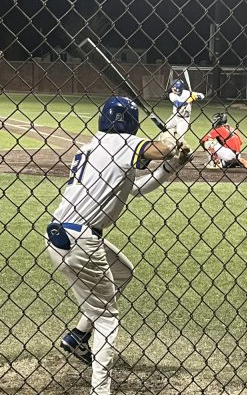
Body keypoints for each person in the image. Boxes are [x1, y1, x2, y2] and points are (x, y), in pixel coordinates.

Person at [45, 96, 192, 395]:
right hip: (82, 239)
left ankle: (77, 336)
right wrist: (172, 138)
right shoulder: (121, 143)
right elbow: (158, 149)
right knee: (108, 317)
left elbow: (134, 189)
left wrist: (173, 165)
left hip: (60, 235)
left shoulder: (93, 147)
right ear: (131, 122)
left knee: (123, 272)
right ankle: (100, 391)